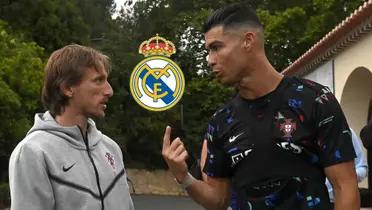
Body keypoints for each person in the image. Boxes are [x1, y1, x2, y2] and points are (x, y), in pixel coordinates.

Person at [162, 3, 360, 210]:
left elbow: (345, 187)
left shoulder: (316, 100)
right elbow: (218, 201)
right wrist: (184, 177)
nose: (210, 60)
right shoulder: (220, 122)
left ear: (248, 41)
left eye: (216, 47)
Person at [9, 44, 134, 210]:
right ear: (67, 88)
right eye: (98, 80)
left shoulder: (110, 148)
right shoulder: (33, 152)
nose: (109, 91)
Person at [325, 128, 368, 204]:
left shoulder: (346, 131)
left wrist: (346, 177)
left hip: (339, 201)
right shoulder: (300, 133)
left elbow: (362, 167)